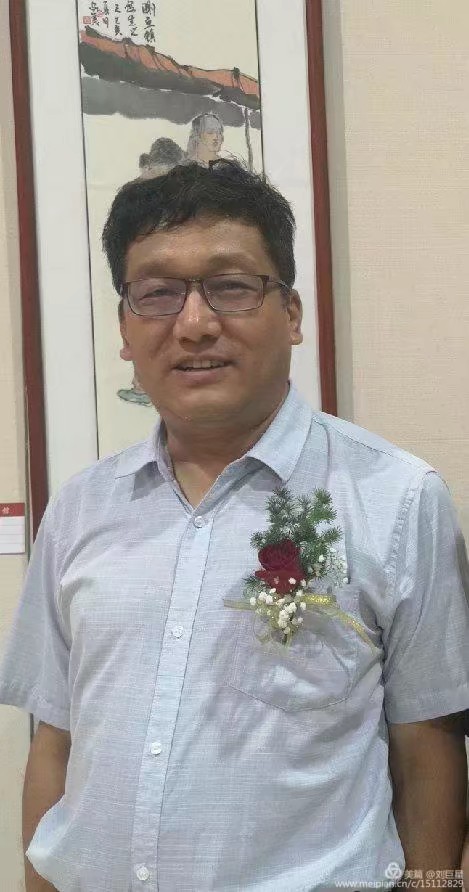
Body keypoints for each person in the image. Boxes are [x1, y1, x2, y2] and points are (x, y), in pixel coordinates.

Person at [0, 160, 468, 892]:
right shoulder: (81, 507)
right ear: (124, 326)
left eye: (231, 286)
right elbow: (56, 738)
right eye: (158, 293)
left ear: (292, 314)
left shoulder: (397, 499)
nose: (194, 324)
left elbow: (427, 744)